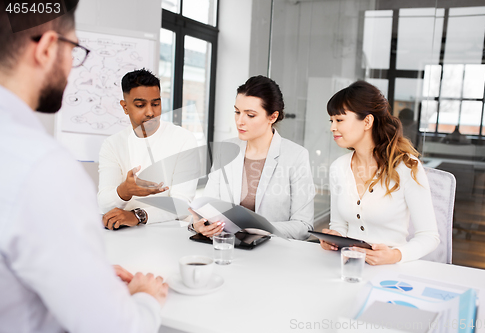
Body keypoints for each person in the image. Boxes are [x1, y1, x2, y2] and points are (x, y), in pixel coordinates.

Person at [0, 3, 168, 332]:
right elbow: (115, 327)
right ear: (48, 48)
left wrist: (88, 274)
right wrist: (146, 297)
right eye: (73, 49)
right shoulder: (44, 168)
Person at [321, 81, 439, 264]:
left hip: (391, 271)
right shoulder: (338, 167)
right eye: (331, 121)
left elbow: (429, 236)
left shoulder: (407, 166)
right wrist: (334, 237)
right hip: (347, 267)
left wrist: (396, 255)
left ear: (367, 121)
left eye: (339, 120)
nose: (332, 128)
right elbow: (339, 225)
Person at [189, 75, 315, 240]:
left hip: (273, 254)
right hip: (226, 248)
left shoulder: (296, 156)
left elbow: (303, 226)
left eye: (250, 115)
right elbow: (209, 208)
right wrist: (199, 223)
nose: (240, 121)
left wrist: (258, 228)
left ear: (273, 117)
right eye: (237, 112)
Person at [98, 69, 198, 230]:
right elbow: (104, 204)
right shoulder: (112, 144)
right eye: (140, 105)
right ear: (125, 107)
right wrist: (124, 191)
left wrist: (138, 215)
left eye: (156, 104)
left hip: (168, 234)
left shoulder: (183, 139)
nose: (151, 112)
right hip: (123, 234)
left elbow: (181, 203)